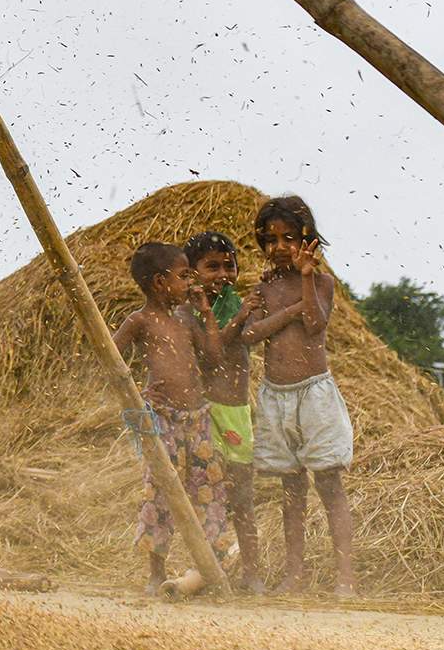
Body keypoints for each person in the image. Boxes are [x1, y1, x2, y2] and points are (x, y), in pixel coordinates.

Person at [240, 195, 356, 597]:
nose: (280, 247)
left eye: (290, 237)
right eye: (270, 240)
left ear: (307, 239)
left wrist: (306, 278)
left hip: (314, 395)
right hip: (276, 396)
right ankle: (295, 576)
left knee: (329, 485)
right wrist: (282, 311)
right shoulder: (264, 287)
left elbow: (313, 324)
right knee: (291, 492)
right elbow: (250, 335)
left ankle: (346, 578)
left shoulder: (321, 282)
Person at [111, 240, 229, 596]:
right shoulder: (140, 321)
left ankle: (211, 566)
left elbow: (213, 358)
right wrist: (138, 394)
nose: (190, 284)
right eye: (183, 277)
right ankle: (155, 571)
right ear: (160, 282)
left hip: (198, 419)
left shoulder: (187, 319)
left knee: (209, 491)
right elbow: (110, 354)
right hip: (161, 420)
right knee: (160, 494)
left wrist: (207, 316)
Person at [180, 230, 261, 594]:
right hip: (208, 414)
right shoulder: (190, 313)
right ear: (192, 272)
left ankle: (251, 572)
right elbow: (212, 354)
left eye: (230, 266)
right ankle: (207, 568)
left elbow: (250, 339)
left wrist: (248, 314)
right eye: (212, 267)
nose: (224, 274)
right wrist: (242, 316)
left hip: (238, 412)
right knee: (209, 495)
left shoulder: (235, 302)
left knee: (243, 495)